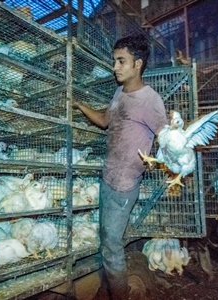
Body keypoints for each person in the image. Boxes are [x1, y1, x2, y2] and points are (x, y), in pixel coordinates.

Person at [73, 35, 167, 300]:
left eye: (121, 61)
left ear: (137, 64)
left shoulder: (150, 101)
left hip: (125, 185)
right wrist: (82, 106)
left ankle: (119, 295)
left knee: (111, 245)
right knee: (106, 240)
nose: (115, 66)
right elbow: (104, 121)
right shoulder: (119, 92)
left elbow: (168, 138)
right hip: (108, 178)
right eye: (115, 60)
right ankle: (111, 287)